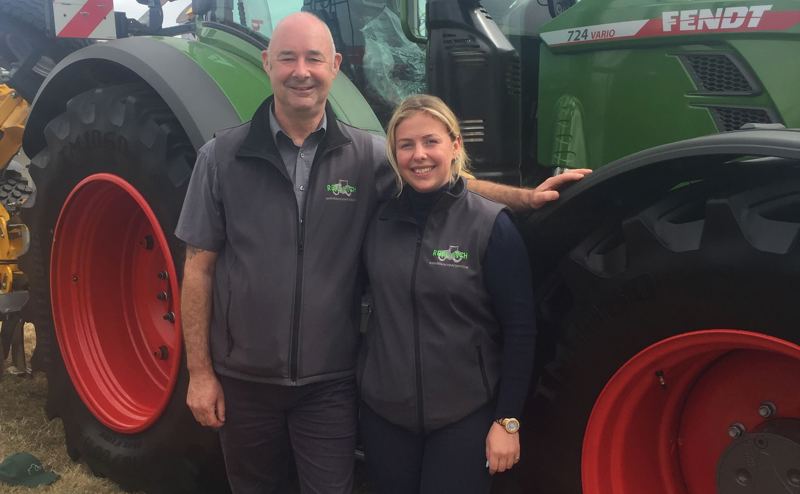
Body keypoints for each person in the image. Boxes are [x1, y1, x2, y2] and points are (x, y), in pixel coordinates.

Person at [176, 12, 587, 494]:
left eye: (314, 59)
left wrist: (522, 197)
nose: (301, 71)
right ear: (267, 62)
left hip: (328, 385)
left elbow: (442, 180)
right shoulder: (221, 158)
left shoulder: (368, 156)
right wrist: (200, 373)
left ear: (335, 65)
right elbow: (198, 270)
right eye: (287, 58)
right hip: (245, 381)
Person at [358, 94, 537, 493]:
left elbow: (521, 330)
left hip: (464, 416)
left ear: (455, 145)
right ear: (394, 153)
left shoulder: (491, 225)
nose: (419, 155)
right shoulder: (377, 221)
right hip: (384, 415)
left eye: (430, 141)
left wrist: (508, 421)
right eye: (406, 145)